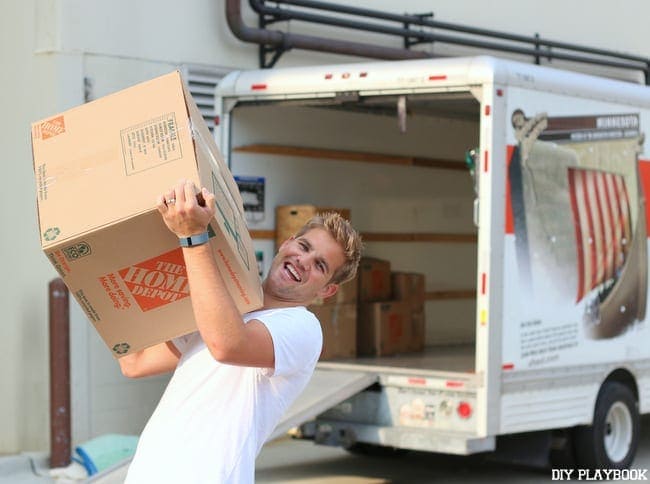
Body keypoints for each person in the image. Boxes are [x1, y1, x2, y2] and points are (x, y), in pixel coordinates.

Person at [120, 179, 362, 483]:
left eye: (320, 265)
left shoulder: (303, 329)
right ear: (287, 242)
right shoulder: (226, 305)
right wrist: (107, 276)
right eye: (303, 247)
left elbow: (227, 345)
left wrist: (194, 237)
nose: (303, 261)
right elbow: (135, 361)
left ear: (327, 290)